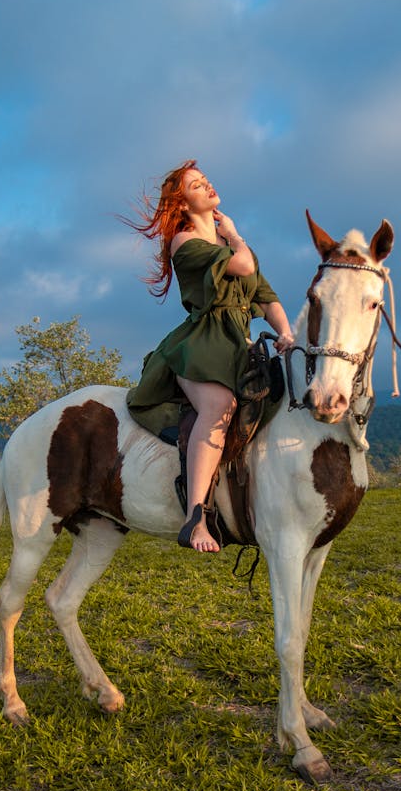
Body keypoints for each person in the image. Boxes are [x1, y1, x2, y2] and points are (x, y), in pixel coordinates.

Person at [125, 159, 294, 554]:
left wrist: (286, 332)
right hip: (202, 341)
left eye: (206, 181)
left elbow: (266, 297)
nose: (208, 186)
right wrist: (234, 234)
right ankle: (195, 518)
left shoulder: (234, 245)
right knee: (219, 405)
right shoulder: (184, 243)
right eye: (197, 185)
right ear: (183, 204)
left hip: (240, 342)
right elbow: (243, 265)